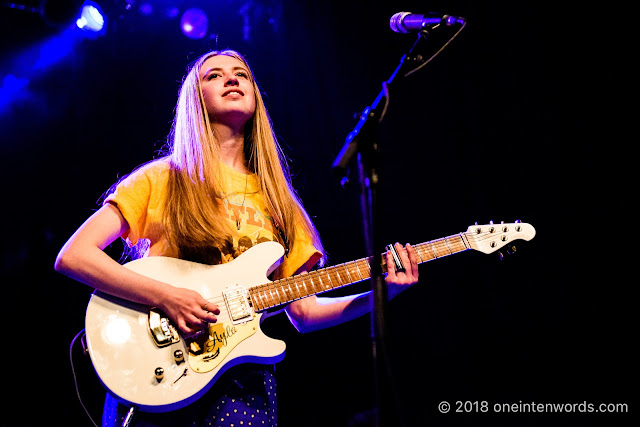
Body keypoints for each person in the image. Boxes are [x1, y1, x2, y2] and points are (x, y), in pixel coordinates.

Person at [55, 49, 419, 427]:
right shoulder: (161, 178)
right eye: (214, 75)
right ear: (196, 100)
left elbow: (305, 314)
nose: (231, 79)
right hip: (157, 367)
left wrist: (380, 294)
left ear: (256, 95)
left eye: (241, 74)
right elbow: (74, 255)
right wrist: (168, 297)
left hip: (242, 380)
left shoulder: (281, 203)